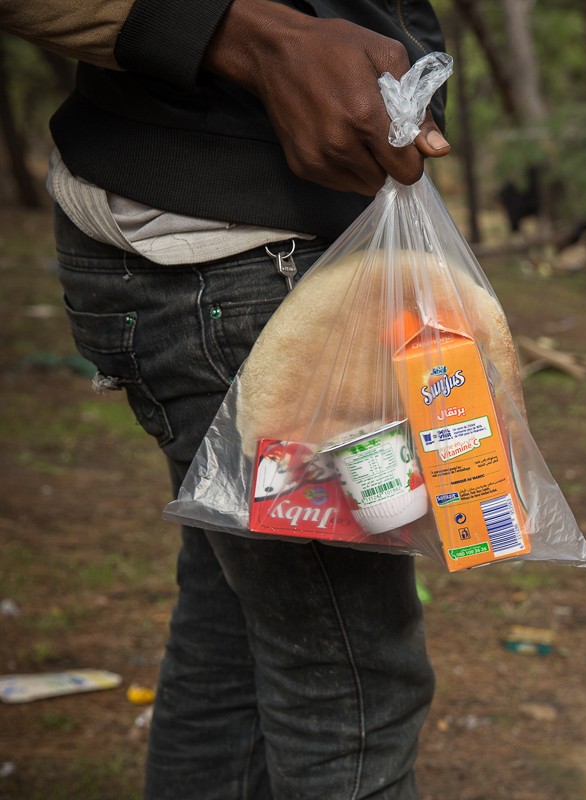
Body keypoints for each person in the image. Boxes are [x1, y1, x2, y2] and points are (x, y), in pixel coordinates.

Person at [0, 0, 451, 796]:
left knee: (234, 635)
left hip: (213, 259)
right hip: (245, 271)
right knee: (345, 693)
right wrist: (248, 37)